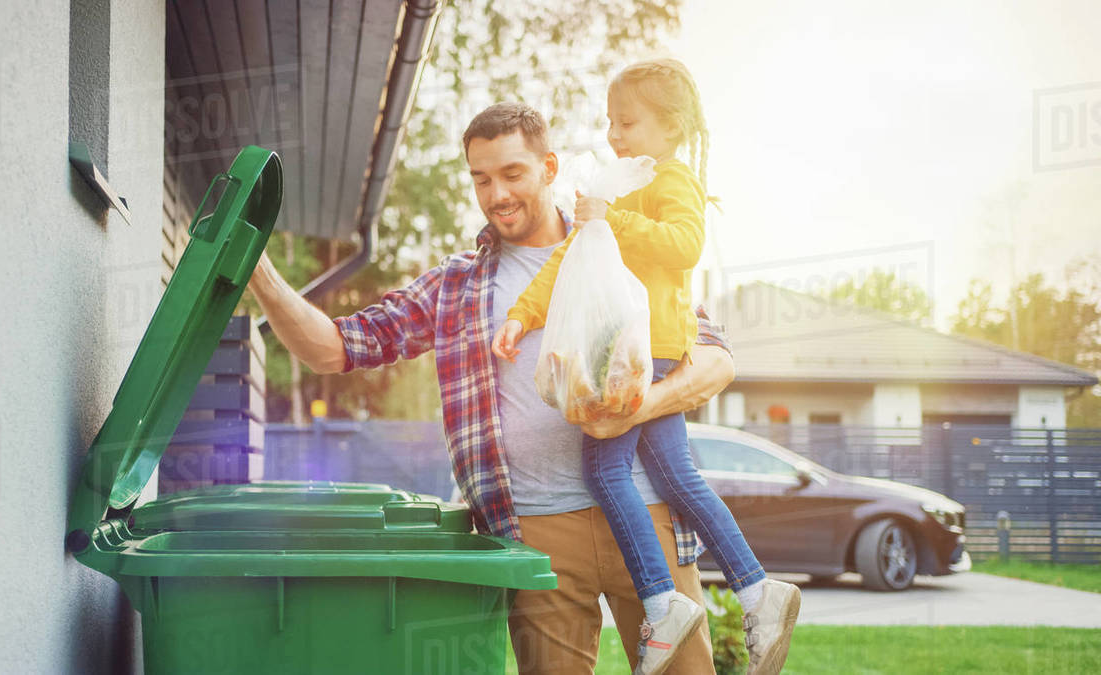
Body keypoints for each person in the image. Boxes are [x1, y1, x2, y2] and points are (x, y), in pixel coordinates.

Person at [247, 101, 731, 674]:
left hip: (646, 510)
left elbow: (716, 362)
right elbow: (333, 348)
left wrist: (637, 407)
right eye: (481, 178)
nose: (496, 194)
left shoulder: (620, 248)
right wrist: (258, 268)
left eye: (512, 174)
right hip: (535, 529)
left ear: (550, 168)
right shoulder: (457, 285)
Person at [493, 59, 800, 675]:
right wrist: (524, 315)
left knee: (605, 469)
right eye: (611, 122)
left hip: (652, 346)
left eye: (628, 122)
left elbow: (685, 244)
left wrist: (617, 218)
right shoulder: (622, 180)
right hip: (634, 344)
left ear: (672, 124)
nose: (615, 134)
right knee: (677, 475)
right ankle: (756, 589)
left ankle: (663, 602)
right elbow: (568, 258)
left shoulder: (672, 178)